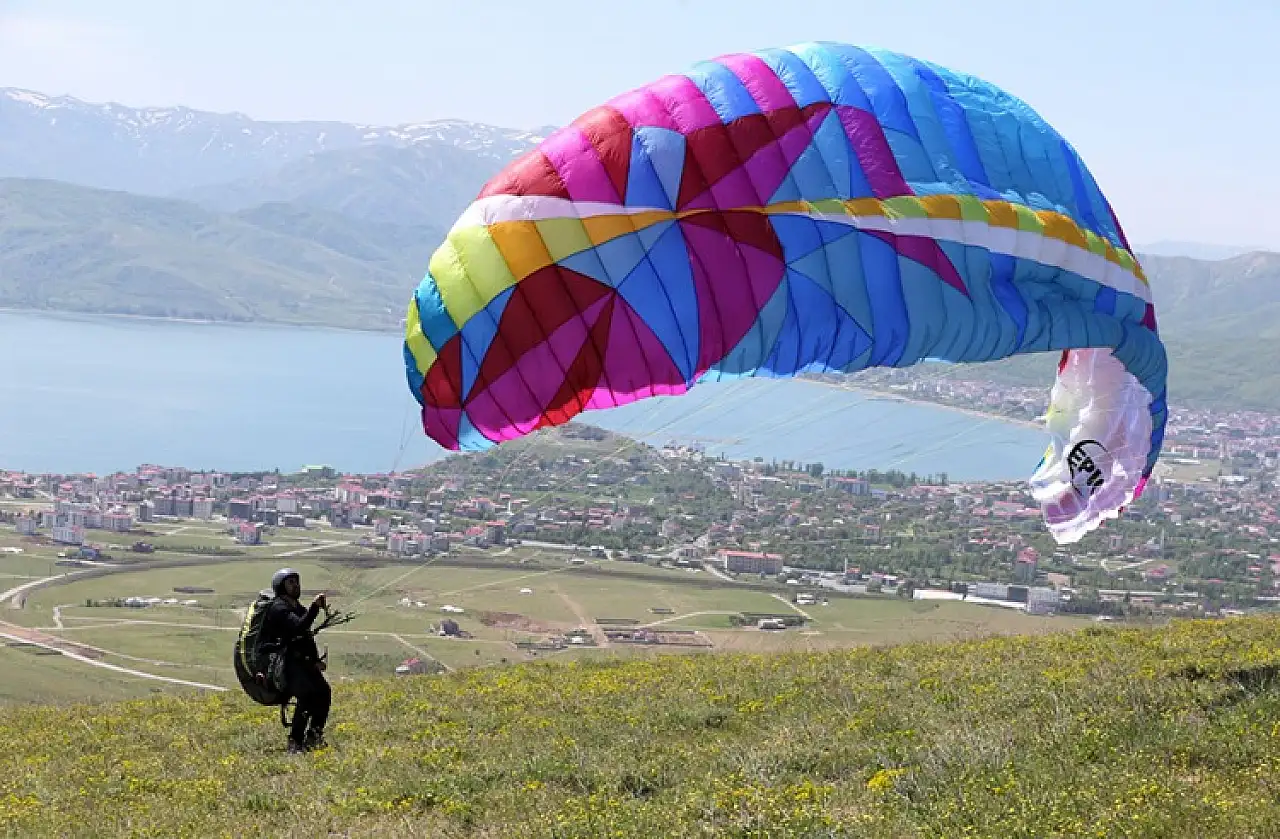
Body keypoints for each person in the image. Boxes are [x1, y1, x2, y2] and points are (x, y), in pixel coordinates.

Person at [261, 567, 332, 753]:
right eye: (290, 582)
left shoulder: (296, 607)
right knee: (307, 696)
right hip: (285, 664)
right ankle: (295, 742)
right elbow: (299, 628)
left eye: (297, 582)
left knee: (324, 692)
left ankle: (314, 736)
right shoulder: (278, 608)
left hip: (302, 661)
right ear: (280, 587)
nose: (295, 585)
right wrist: (315, 608)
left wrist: (316, 660)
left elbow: (306, 637)